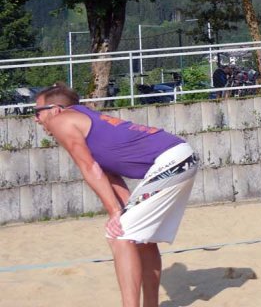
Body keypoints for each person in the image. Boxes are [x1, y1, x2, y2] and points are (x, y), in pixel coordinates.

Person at [34, 84, 198, 307]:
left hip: (172, 160)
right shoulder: (88, 122)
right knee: (141, 238)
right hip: (179, 156)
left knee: (118, 236)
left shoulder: (61, 121)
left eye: (38, 112)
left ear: (56, 109)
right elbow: (107, 175)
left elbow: (89, 168)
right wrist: (119, 212)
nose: (36, 119)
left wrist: (114, 214)